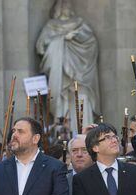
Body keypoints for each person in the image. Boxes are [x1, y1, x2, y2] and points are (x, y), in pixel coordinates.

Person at [36, 0, 100, 128]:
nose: (66, 6)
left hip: (80, 73)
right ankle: (62, 131)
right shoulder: (51, 25)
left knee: (81, 97)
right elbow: (41, 46)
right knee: (61, 102)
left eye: (67, 4)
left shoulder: (80, 22)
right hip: (59, 75)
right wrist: (63, 39)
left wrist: (76, 37)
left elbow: (91, 42)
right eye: (62, 5)